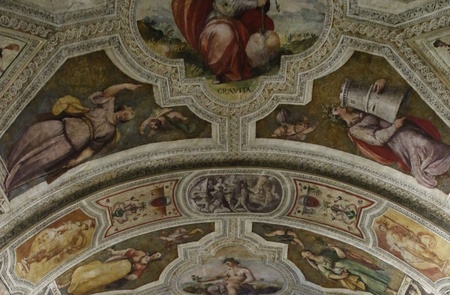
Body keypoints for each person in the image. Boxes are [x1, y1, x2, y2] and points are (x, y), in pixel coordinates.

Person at [4, 82, 142, 195]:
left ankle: (11, 182)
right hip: (63, 126)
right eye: (128, 112)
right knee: (34, 132)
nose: (126, 116)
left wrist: (76, 160)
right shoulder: (107, 108)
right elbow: (108, 93)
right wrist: (125, 86)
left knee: (39, 162)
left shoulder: (110, 132)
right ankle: (7, 166)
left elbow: (91, 149)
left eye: (129, 117)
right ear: (123, 108)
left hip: (68, 145)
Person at [331, 78, 450, 188]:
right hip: (395, 138)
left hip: (399, 123)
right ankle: (437, 167)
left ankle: (444, 160)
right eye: (336, 109)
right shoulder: (354, 129)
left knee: (423, 138)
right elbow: (377, 138)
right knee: (418, 140)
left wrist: (381, 82)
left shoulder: (358, 109)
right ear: (337, 117)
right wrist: (395, 127)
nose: (338, 106)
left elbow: (373, 100)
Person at [171, 0, 279, 83]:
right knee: (224, 34)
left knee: (266, 32)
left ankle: (248, 65)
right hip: (218, 22)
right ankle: (224, 73)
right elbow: (226, 7)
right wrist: (255, 3)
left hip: (239, 24)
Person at [65, 247, 162, 295]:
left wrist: (126, 276)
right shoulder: (141, 253)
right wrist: (114, 252)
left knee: (98, 282)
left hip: (118, 274)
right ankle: (74, 281)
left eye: (157, 256)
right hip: (116, 265)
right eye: (156, 254)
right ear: (154, 253)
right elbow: (126, 252)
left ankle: (77, 290)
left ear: (156, 259)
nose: (155, 255)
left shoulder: (144, 267)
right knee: (95, 272)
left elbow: (134, 276)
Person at [301, 246, 390, 295]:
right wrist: (341, 276)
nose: (308, 253)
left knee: (369, 272)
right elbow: (329, 274)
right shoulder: (319, 265)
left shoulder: (324, 253)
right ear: (306, 257)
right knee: (365, 279)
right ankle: (387, 290)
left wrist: (336, 248)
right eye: (306, 254)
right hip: (346, 271)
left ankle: (385, 282)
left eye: (307, 251)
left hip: (350, 264)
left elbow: (342, 256)